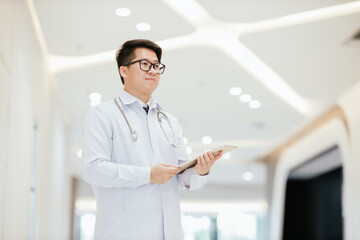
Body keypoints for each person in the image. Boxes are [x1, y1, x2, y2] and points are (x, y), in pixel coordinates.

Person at [82, 39, 223, 240]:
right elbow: (93, 170)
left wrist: (200, 170)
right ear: (124, 71)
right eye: (145, 64)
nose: (153, 71)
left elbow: (181, 178)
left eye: (156, 66)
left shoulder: (169, 121)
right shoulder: (103, 115)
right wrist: (148, 175)